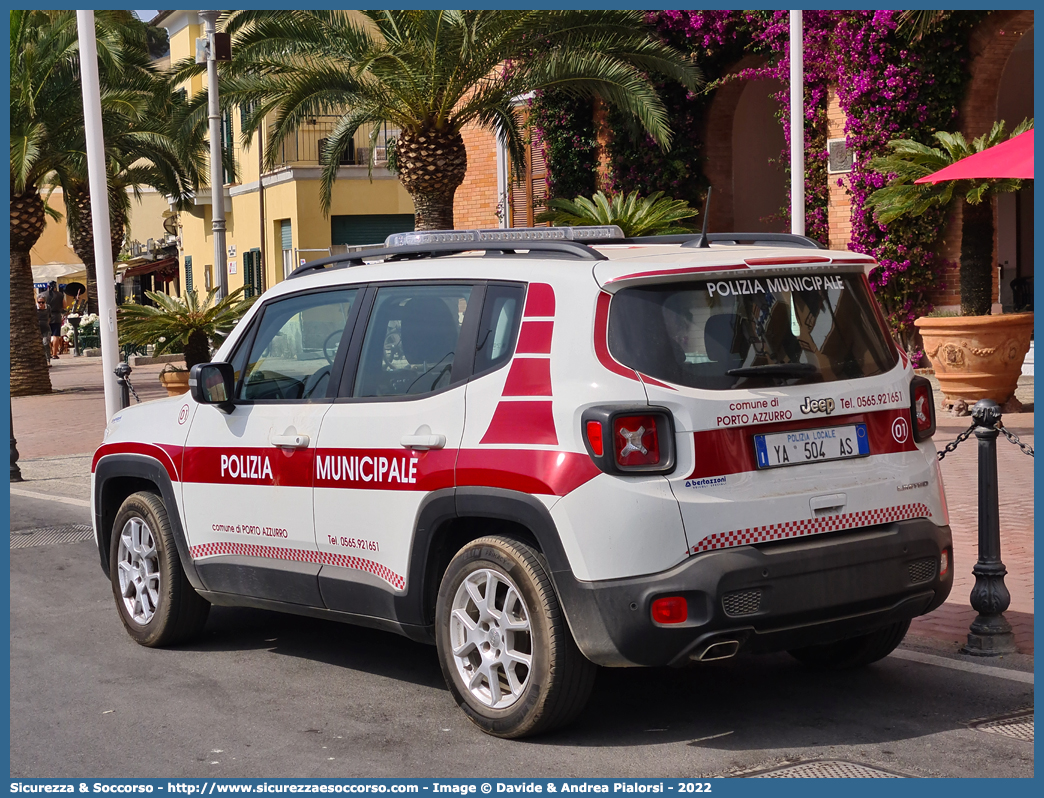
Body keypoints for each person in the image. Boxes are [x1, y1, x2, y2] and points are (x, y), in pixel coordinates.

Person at [46, 281, 64, 359]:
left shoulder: (42, 295)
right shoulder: (60, 295)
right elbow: (64, 305)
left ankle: (48, 353)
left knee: (47, 335)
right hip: (56, 316)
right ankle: (54, 354)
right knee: (55, 335)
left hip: (46, 316)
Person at [36, 294, 52, 365]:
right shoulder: (35, 308)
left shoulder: (48, 307)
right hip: (37, 329)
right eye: (39, 302)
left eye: (42, 302)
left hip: (46, 329)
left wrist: (46, 323)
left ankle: (48, 361)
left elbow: (50, 317)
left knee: (45, 344)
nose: (41, 304)